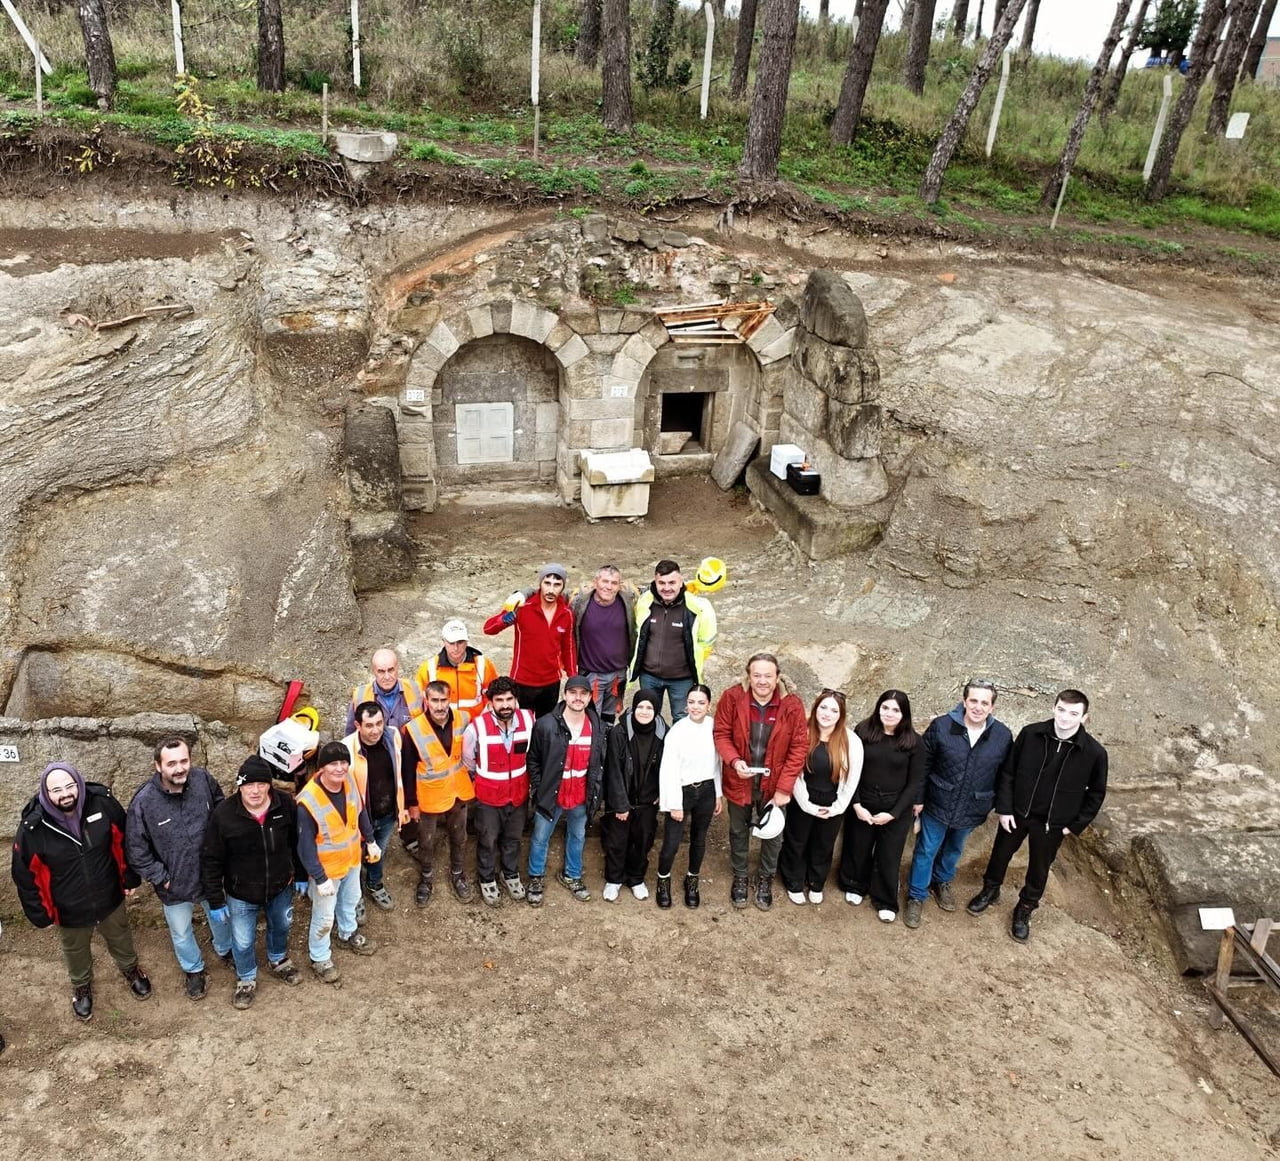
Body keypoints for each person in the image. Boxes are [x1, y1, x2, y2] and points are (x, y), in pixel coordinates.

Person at [12, 763, 151, 1021]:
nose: (65, 794)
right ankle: (81, 985)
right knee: (75, 950)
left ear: (79, 784)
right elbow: (26, 876)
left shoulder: (103, 804)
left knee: (120, 936)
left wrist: (129, 877)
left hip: (109, 895)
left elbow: (125, 841)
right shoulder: (33, 828)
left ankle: (131, 970)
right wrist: (39, 913)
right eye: (56, 790)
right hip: (69, 908)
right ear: (46, 793)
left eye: (69, 786)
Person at [968, 689, 1109, 943]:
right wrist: (1005, 808)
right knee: (1000, 854)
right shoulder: (1031, 734)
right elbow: (1009, 772)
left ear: (1084, 718)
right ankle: (990, 890)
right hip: (1018, 813)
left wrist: (1073, 826)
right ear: (1054, 708)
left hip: (1052, 824)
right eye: (1062, 710)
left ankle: (1025, 908)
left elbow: (1096, 793)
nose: (1066, 717)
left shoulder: (1094, 753)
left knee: (1039, 867)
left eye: (1074, 713)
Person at [125, 736, 232, 1000]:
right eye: (171, 763)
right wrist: (162, 878)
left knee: (221, 918)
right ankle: (193, 969)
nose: (179, 768)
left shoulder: (204, 781)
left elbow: (221, 808)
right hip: (173, 885)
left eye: (184, 760)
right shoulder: (143, 802)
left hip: (211, 876)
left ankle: (226, 950)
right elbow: (137, 850)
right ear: (158, 766)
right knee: (181, 931)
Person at [904, 679, 1014, 930]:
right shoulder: (942, 726)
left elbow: (1006, 774)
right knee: (926, 849)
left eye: (984, 702)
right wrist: (918, 799)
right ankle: (916, 895)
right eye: (973, 700)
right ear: (964, 701)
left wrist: (998, 803)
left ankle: (941, 881)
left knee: (954, 849)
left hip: (973, 806)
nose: (978, 707)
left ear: (992, 707)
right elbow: (923, 765)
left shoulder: (1002, 736)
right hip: (938, 802)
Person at [201, 756, 306, 1010]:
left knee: (280, 925)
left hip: (281, 885)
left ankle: (278, 959)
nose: (255, 790)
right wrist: (216, 899)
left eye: (261, 784)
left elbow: (297, 843)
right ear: (239, 786)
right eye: (249, 785)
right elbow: (210, 859)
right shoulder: (224, 815)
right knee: (243, 939)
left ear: (269, 785)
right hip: (241, 893)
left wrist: (301, 874)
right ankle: (246, 977)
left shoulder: (286, 806)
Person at [713, 652, 809, 910]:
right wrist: (734, 761)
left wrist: (784, 788)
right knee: (737, 830)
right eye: (757, 675)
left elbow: (799, 746)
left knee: (774, 834)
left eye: (768, 675)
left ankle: (765, 876)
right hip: (740, 779)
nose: (762, 681)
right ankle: (741, 875)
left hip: (775, 783)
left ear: (778, 677)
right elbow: (721, 733)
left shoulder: (792, 705)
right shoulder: (732, 698)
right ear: (749, 676)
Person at [838, 690, 924, 923]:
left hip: (895, 808)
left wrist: (894, 813)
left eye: (896, 710)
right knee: (858, 847)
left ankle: (885, 899)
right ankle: (854, 885)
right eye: (885, 707)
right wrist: (855, 804)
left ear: (904, 714)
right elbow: (849, 770)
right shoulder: (863, 732)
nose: (889, 713)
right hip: (862, 803)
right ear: (878, 708)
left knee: (889, 855)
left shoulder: (914, 742)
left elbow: (915, 782)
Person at [297, 741, 379, 983]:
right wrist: (319, 878)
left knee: (351, 900)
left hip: (352, 858)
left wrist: (371, 839)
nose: (340, 768)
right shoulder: (308, 801)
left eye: (344, 762)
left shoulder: (349, 782)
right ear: (322, 768)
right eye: (333, 764)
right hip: (327, 870)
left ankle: (348, 932)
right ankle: (320, 956)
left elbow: (361, 811)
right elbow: (305, 845)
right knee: (324, 915)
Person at [525, 676, 607, 905]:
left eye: (583, 694)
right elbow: (533, 759)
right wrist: (540, 787)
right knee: (541, 836)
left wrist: (596, 792)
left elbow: (600, 761)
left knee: (578, 835)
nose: (578, 698)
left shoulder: (597, 726)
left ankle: (572, 875)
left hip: (581, 794)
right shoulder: (545, 724)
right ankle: (535, 877)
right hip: (552, 794)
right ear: (564, 695)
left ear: (590, 698)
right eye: (573, 693)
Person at [779, 691, 862, 906]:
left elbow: (852, 777)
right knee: (797, 841)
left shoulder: (851, 740)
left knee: (823, 844)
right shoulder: (802, 733)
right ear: (816, 708)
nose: (827, 714)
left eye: (834, 710)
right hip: (803, 797)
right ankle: (794, 881)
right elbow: (794, 770)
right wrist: (805, 803)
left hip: (833, 800)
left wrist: (838, 806)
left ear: (841, 715)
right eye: (823, 707)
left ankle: (816, 882)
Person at [462, 676, 533, 906]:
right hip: (489, 798)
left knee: (513, 838)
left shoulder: (529, 720)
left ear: (516, 700)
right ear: (490, 702)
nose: (505, 705)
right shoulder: (477, 728)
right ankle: (486, 877)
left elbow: (533, 754)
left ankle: (510, 873)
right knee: (487, 839)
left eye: (509, 699)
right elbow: (468, 760)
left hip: (518, 795)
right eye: (499, 700)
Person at [403, 680, 476, 905]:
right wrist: (411, 803)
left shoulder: (464, 720)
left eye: (444, 700)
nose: (439, 705)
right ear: (426, 701)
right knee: (425, 841)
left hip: (458, 792)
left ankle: (457, 874)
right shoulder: (414, 730)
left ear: (450, 699)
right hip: (428, 798)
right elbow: (407, 770)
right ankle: (426, 877)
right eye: (434, 700)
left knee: (459, 837)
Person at [655, 685, 723, 909]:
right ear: (686, 704)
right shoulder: (677, 731)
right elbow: (668, 769)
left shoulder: (714, 727)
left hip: (706, 790)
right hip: (682, 791)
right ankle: (663, 880)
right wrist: (674, 804)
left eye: (701, 703)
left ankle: (692, 878)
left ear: (709, 705)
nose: (696, 707)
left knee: (699, 838)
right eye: (692, 702)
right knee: (672, 842)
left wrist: (718, 794)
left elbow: (716, 764)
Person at [600, 689, 668, 901]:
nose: (644, 711)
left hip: (648, 801)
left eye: (649, 707)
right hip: (623, 799)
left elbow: (668, 766)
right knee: (617, 841)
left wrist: (661, 792)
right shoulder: (619, 732)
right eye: (640, 706)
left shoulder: (664, 733)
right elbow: (613, 770)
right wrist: (620, 805)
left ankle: (636, 878)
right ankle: (614, 879)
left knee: (643, 840)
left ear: (656, 710)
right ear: (634, 707)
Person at [484, 563, 576, 718]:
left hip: (551, 683)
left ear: (562, 587)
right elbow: (488, 629)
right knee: (521, 728)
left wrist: (573, 677)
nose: (551, 590)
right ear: (540, 584)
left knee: (545, 728)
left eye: (557, 585)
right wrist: (504, 619)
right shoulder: (523, 607)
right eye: (547, 583)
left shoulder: (566, 613)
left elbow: (568, 647)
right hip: (522, 682)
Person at [631, 559, 717, 721]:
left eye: (672, 582)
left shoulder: (697, 607)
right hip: (649, 676)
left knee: (682, 718)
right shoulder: (645, 602)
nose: (667, 588)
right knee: (648, 718)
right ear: (655, 582)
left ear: (681, 581)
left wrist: (692, 663)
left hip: (682, 678)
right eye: (661, 583)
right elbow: (637, 635)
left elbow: (707, 642)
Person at [341, 702, 407, 911]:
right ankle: (355, 895)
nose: (376, 730)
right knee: (353, 859)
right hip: (360, 819)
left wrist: (402, 807)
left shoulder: (393, 736)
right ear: (358, 725)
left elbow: (399, 773)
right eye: (369, 725)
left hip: (387, 814)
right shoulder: (347, 749)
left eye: (379, 723)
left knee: (379, 852)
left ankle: (374, 883)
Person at [570, 564, 638, 726]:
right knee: (590, 721)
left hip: (618, 674)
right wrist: (521, 594)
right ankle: (593, 751)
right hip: (592, 674)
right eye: (605, 581)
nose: (608, 587)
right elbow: (549, 591)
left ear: (619, 585)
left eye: (614, 583)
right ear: (595, 582)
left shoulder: (627, 600)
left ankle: (607, 749)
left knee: (609, 719)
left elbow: (659, 587)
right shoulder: (580, 602)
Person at [416, 618, 498, 715]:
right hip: (441, 727)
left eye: (460, 642)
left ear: (467, 642)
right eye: (451, 643)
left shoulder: (484, 665)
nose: (456, 648)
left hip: (475, 726)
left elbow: (494, 698)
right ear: (444, 642)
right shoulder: (428, 669)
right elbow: (418, 703)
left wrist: (483, 723)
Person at [345, 647, 423, 734]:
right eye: (381, 671)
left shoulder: (416, 689)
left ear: (397, 668)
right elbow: (350, 734)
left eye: (391, 670)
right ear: (373, 671)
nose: (387, 677)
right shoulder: (359, 696)